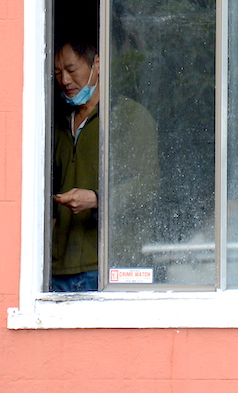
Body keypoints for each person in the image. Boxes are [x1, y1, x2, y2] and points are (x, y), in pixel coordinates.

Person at [51, 37, 159, 292]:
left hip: (107, 264)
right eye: (57, 73)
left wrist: (97, 199)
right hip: (58, 266)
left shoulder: (130, 116)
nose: (64, 80)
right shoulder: (55, 124)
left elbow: (148, 184)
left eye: (71, 70)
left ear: (97, 64)